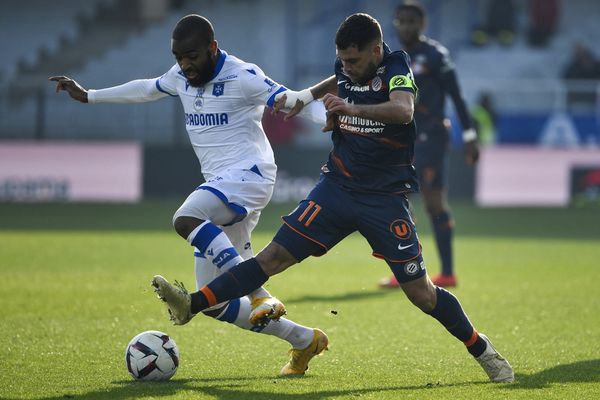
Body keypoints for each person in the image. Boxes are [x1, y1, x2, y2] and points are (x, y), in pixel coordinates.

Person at [152, 13, 514, 383]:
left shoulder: (396, 66)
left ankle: (481, 348)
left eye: (354, 61)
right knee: (272, 257)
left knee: (422, 294)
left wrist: (349, 109)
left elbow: (403, 110)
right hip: (336, 189)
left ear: (376, 51)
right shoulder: (346, 67)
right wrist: (306, 96)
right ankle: (192, 304)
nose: (347, 67)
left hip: (384, 200)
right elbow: (336, 79)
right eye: (342, 60)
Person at [49, 14, 327, 376]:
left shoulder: (242, 75)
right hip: (222, 185)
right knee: (213, 301)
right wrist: (89, 95)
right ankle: (305, 340)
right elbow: (147, 88)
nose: (185, 65)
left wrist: (332, 113)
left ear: (213, 48)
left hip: (250, 174)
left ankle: (259, 293)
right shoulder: (180, 76)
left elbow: (289, 101)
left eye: (192, 56)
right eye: (179, 57)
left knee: (187, 218)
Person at [378, 2, 480, 289]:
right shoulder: (390, 58)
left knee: (434, 204)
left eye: (411, 21)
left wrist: (470, 137)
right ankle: (408, 271)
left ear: (422, 25)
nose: (406, 27)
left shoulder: (435, 55)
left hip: (431, 138)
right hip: (400, 140)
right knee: (398, 205)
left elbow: (458, 97)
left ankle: (447, 272)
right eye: (401, 21)